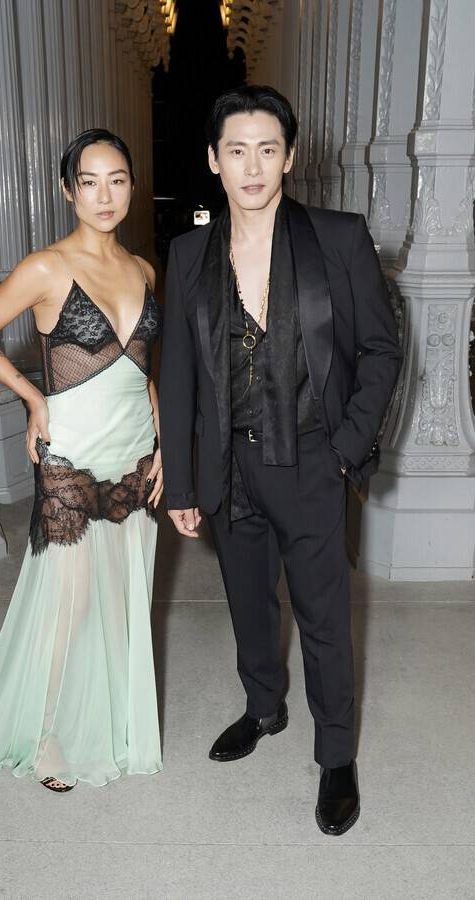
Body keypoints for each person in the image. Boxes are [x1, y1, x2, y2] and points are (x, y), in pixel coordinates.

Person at [159, 86, 402, 835]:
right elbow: (178, 375)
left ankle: (337, 755)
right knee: (248, 603)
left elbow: (381, 349)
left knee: (324, 617)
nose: (253, 166)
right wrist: (182, 481)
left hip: (313, 461)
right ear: (214, 160)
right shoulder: (188, 253)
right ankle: (264, 707)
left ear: (289, 156)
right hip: (229, 463)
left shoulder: (338, 237)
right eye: (237, 151)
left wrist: (347, 448)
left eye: (268, 149)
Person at [0, 129, 163, 793]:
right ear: (67, 190)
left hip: (135, 448)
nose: (104, 195)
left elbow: (145, 370)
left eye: (117, 180)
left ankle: (111, 722)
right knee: (67, 599)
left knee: (122, 593)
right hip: (73, 446)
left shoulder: (143, 270)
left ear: (132, 186)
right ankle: (48, 733)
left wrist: (163, 442)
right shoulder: (46, 267)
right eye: (90, 181)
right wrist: (32, 397)